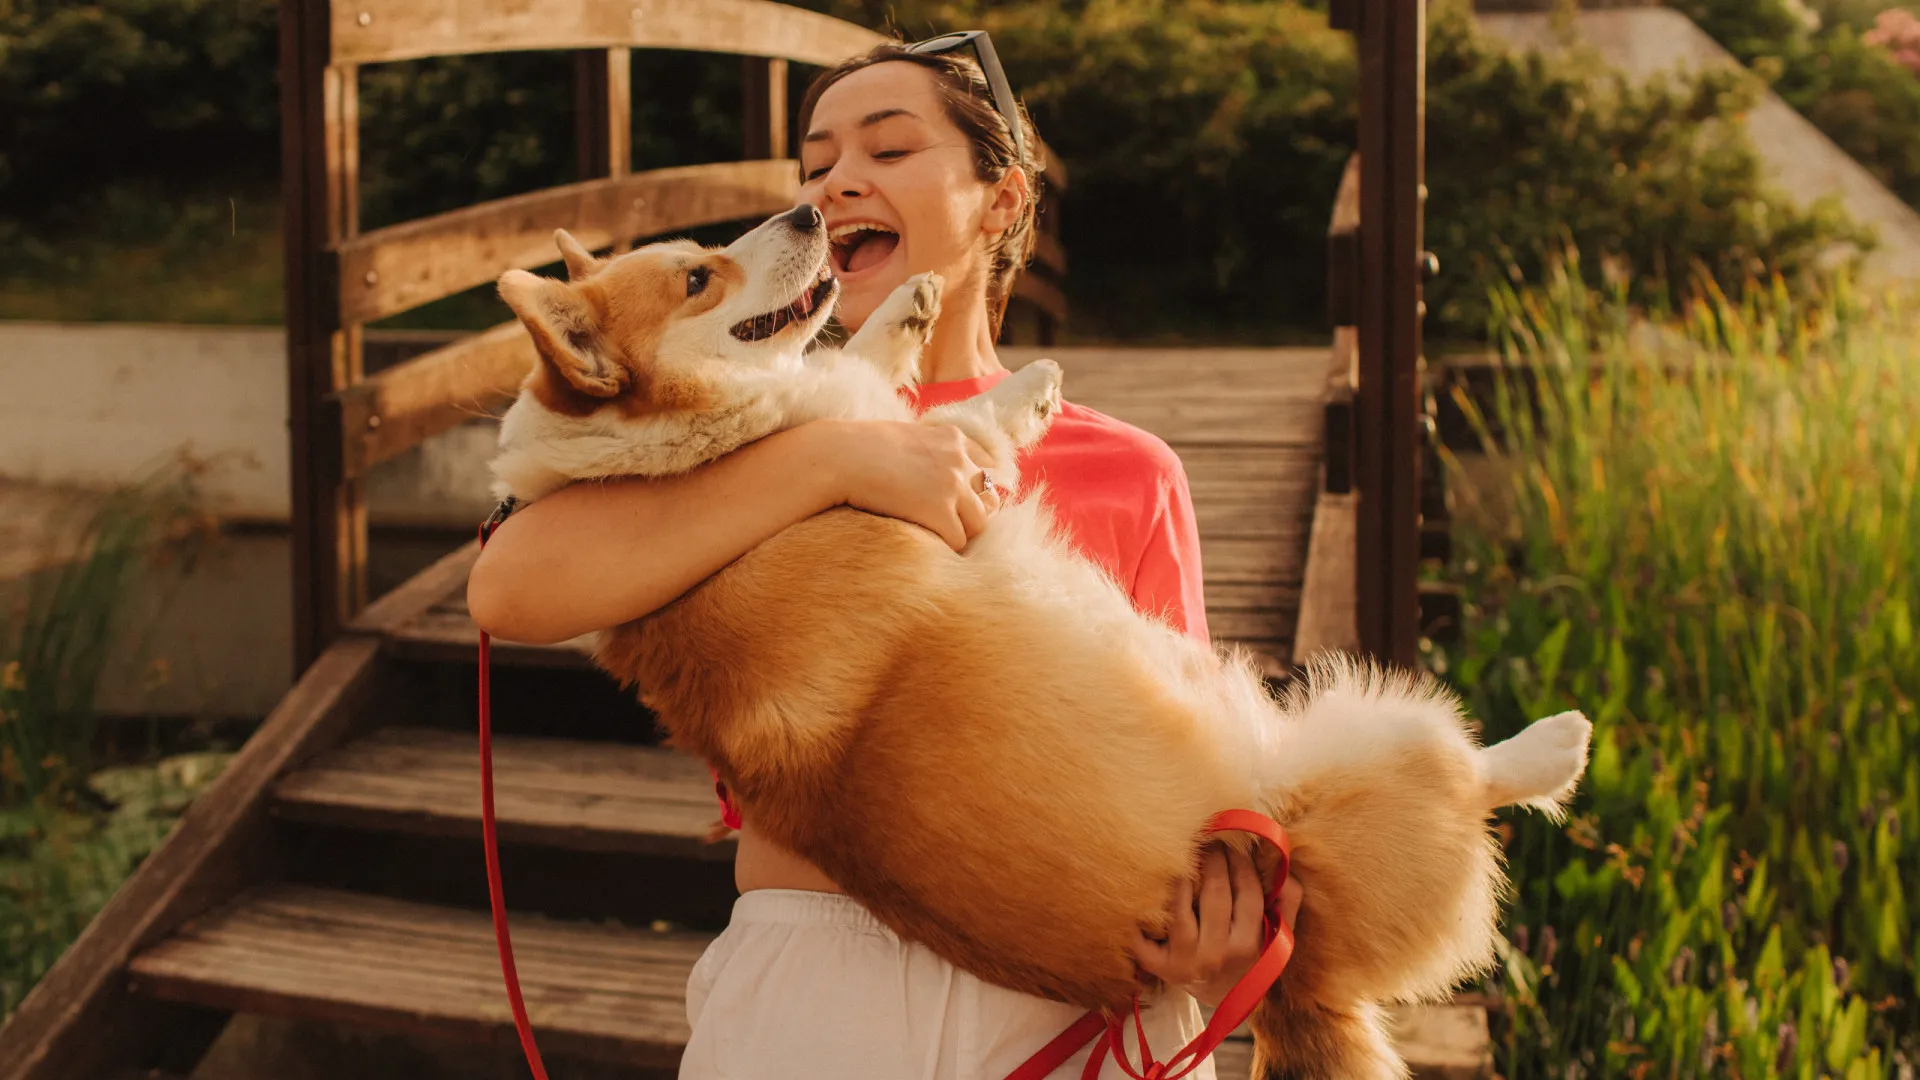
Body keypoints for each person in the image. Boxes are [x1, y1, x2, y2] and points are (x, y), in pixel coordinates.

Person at [467, 35, 1303, 1079]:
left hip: (1077, 984)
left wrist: (1224, 935)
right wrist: (836, 455)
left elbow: (1193, 743)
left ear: (1001, 201)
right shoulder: (733, 433)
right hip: (823, 973)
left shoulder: (1129, 470)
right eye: (813, 166)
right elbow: (508, 586)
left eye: (889, 150)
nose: (833, 184)